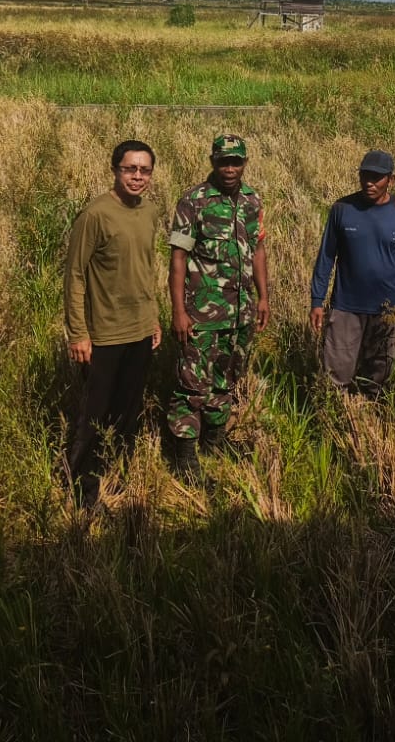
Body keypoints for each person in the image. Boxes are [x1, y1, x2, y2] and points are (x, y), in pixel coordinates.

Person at [62, 139, 163, 509]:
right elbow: (74, 275)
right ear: (115, 170)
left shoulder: (149, 212)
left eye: (144, 170)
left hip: (139, 331)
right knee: (94, 415)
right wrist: (79, 334)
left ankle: (114, 477)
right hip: (103, 334)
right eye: (130, 169)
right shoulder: (95, 215)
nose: (137, 176)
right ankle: (82, 490)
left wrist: (153, 319)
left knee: (127, 413)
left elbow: (147, 271)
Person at [166, 133, 269, 473]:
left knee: (225, 380)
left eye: (236, 161)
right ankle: (184, 456)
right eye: (223, 161)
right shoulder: (194, 201)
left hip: (239, 312)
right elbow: (178, 257)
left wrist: (263, 297)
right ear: (212, 162)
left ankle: (214, 441)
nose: (230, 168)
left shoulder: (253, 200)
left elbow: (257, 250)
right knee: (191, 385)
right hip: (201, 313)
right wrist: (179, 311)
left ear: (244, 163)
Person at [309, 148, 395, 398]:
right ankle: (336, 424)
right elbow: (326, 257)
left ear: (391, 180)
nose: (369, 183)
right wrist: (317, 301)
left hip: (387, 310)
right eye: (365, 176)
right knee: (336, 377)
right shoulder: (342, 209)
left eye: (377, 177)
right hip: (346, 308)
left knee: (378, 379)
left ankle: (372, 425)